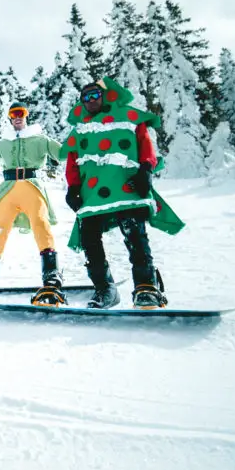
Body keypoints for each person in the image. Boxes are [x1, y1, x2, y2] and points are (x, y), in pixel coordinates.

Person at [61, 77, 184, 309]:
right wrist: (73, 186)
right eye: (85, 97)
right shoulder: (80, 130)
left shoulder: (128, 117)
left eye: (95, 94)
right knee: (89, 240)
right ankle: (105, 289)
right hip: (92, 195)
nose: (90, 100)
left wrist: (146, 168)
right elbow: (72, 160)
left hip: (127, 189)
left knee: (135, 237)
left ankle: (146, 288)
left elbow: (144, 143)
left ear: (105, 95)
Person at [0, 102, 65, 305]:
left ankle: (51, 273)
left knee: (40, 223)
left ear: (26, 116)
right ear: (10, 118)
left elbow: (64, 154)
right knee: (0, 228)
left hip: (32, 186)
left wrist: (82, 146)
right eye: (14, 114)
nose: (18, 117)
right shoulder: (3, 143)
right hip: (8, 189)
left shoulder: (41, 139)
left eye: (21, 113)